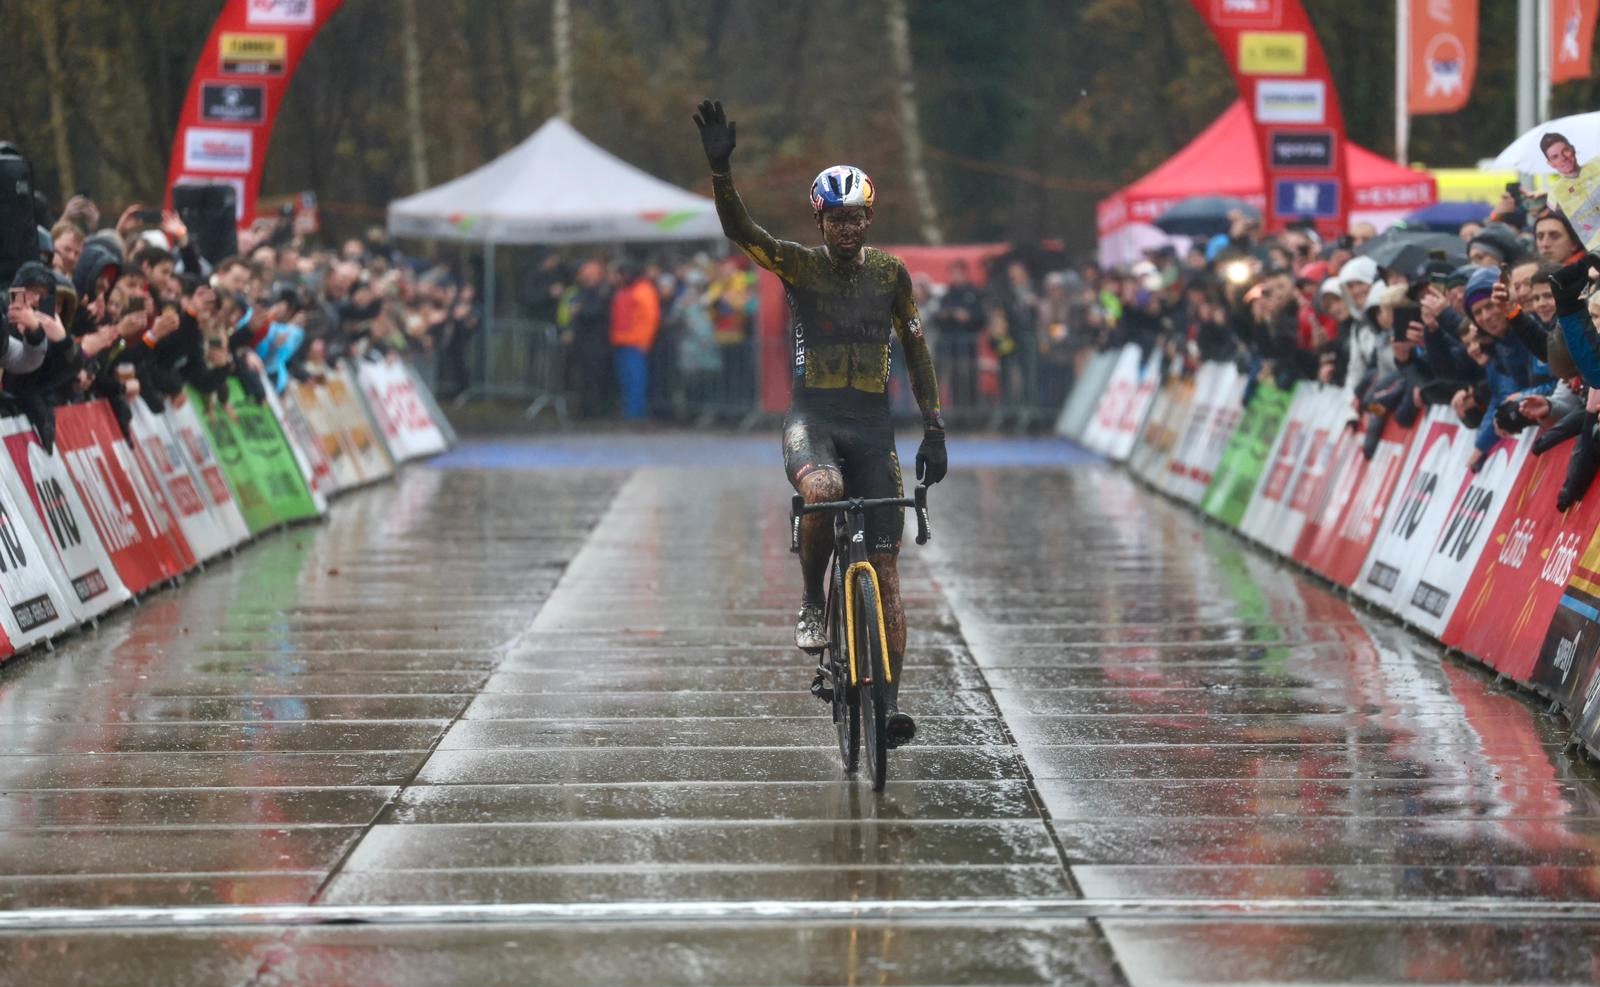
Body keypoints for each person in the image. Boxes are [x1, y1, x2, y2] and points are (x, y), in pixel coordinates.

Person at [694, 98, 945, 748]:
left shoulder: (891, 273)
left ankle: (886, 703)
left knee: (887, 570)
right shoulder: (800, 266)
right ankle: (812, 598)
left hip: (873, 429)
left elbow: (916, 348)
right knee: (825, 493)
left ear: (869, 218)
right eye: (836, 219)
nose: (846, 229)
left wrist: (935, 426)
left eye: (856, 218)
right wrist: (723, 176)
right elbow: (745, 232)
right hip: (814, 422)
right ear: (820, 220)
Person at [1542, 132, 1600, 251]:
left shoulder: (1597, 164)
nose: (1563, 158)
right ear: (1550, 163)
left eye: (1565, 151)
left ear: (1573, 149)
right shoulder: (1554, 195)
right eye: (1555, 157)